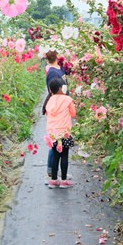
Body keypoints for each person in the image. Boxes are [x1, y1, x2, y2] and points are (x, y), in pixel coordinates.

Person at [45, 77, 76, 188]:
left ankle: (53, 180)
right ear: (60, 88)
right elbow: (73, 113)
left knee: (55, 156)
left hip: (52, 133)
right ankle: (63, 180)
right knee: (64, 156)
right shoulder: (67, 99)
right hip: (64, 132)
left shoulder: (49, 100)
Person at [43, 50, 66, 178]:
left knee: (60, 139)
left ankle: (55, 170)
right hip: (56, 107)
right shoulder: (52, 72)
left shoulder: (59, 68)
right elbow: (53, 91)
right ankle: (51, 169)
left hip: (62, 106)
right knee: (56, 139)